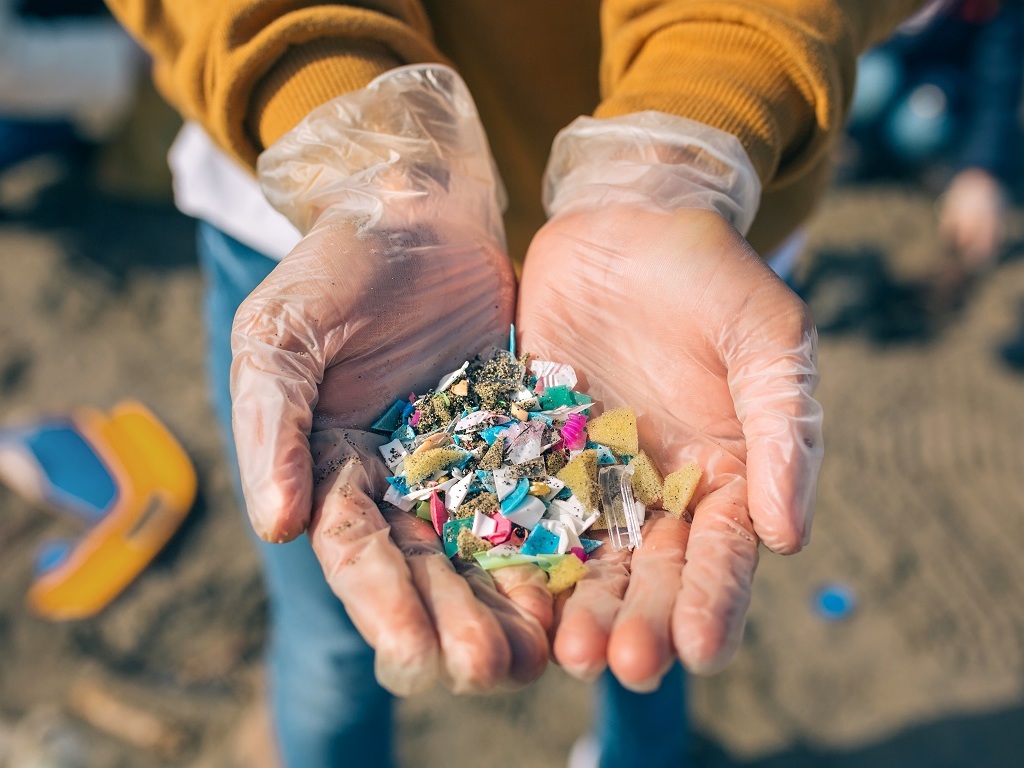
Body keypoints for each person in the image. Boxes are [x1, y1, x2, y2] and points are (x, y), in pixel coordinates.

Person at [101, 2, 925, 766]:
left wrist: (689, 141)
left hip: (689, 245)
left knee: (653, 607)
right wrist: (348, 135)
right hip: (331, 221)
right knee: (332, 631)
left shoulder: (602, 448)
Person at [843, 0, 1023, 287]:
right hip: (879, 61)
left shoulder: (996, 9)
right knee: (868, 83)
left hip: (937, 86)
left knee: (919, 126)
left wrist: (980, 170)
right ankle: (854, 147)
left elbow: (998, 83)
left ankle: (896, 160)